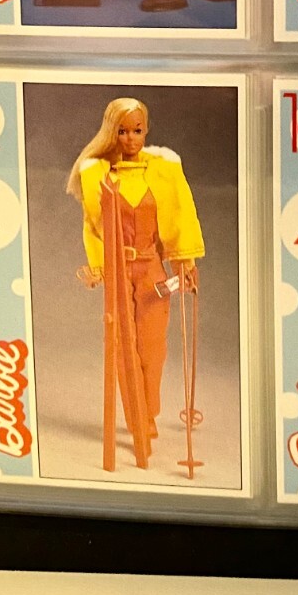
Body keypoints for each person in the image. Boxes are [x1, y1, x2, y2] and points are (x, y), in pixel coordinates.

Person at [68, 96, 203, 470]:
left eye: (137, 130)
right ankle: (137, 419)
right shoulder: (99, 175)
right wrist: (98, 267)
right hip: (118, 270)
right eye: (123, 131)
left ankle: (150, 410)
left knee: (153, 349)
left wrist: (185, 262)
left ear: (146, 131)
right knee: (123, 347)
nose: (130, 138)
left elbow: (180, 217)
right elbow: (92, 227)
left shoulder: (162, 170)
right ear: (111, 133)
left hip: (152, 268)